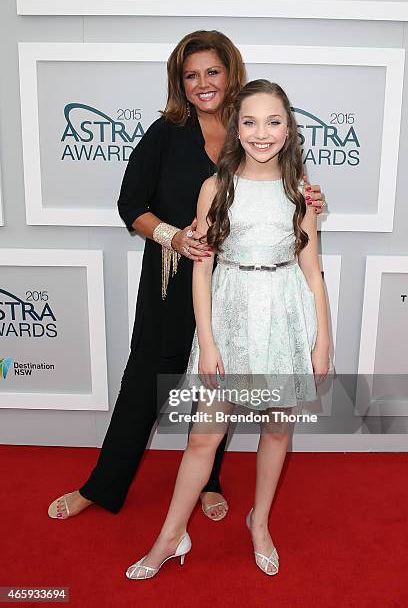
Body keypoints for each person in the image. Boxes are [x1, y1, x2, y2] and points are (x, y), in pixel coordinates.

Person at [47, 32, 325, 523]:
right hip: (175, 278)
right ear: (180, 82)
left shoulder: (251, 128)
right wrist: (174, 237)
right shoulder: (166, 132)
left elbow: (280, 195)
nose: (202, 84)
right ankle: (102, 485)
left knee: (219, 386)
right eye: (191, 75)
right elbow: (131, 205)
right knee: (142, 384)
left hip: (238, 288)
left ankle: (210, 481)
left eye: (212, 72)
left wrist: (309, 200)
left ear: (230, 72)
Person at [125, 79, 331, 580]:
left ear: (289, 128)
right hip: (232, 312)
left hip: (285, 313)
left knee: (277, 431)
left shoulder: (299, 189)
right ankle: (172, 534)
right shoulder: (216, 187)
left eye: (274, 121)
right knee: (202, 439)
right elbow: (202, 269)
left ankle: (259, 522)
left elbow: (311, 269)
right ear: (237, 128)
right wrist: (209, 341)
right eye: (251, 122)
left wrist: (322, 339)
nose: (262, 133)